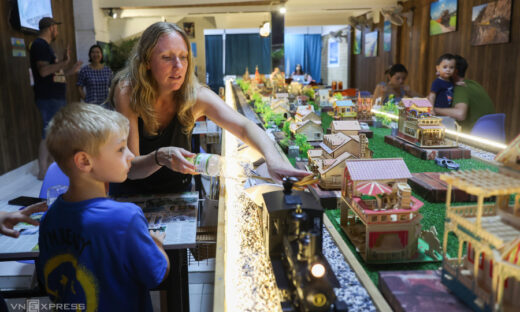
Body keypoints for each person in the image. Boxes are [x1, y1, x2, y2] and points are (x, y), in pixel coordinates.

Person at [109, 22, 309, 196]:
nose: (178, 66)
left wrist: (273, 160)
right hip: (131, 196)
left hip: (176, 194)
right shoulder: (128, 91)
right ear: (146, 62)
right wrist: (160, 156)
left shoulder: (195, 95)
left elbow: (244, 127)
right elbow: (131, 168)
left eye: (183, 57)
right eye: (166, 57)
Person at [36, 103, 169, 311]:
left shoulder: (49, 218)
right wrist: (157, 244)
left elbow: (48, 281)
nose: (131, 156)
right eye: (120, 149)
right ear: (84, 161)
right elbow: (156, 274)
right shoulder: (127, 218)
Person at [30, 17, 82, 180]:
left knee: (54, 133)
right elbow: (44, 72)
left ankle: (51, 168)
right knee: (49, 131)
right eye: (56, 28)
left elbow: (53, 75)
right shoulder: (39, 45)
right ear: (51, 27)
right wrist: (65, 62)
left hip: (55, 96)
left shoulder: (46, 47)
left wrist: (69, 71)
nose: (57, 31)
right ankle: (43, 171)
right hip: (48, 97)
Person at [434, 55, 495, 132]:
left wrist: (434, 110)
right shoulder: (474, 84)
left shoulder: (460, 88)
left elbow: (460, 114)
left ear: (454, 71)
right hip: (492, 136)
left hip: (473, 138)